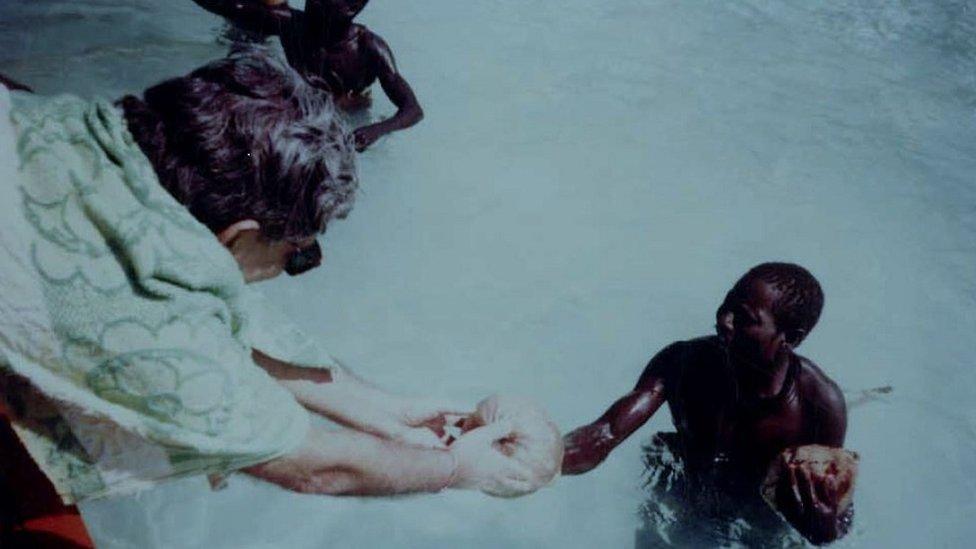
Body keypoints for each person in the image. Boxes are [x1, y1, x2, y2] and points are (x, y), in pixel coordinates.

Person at [0, 49, 536, 547]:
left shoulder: (67, 129)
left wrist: (384, 411)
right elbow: (316, 468)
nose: (297, 268)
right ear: (239, 234)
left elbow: (198, 298)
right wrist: (457, 470)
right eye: (298, 254)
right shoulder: (141, 329)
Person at [562, 263, 855, 545]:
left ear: (790, 337)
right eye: (727, 305)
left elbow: (834, 513)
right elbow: (605, 433)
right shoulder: (682, 363)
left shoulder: (818, 406)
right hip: (682, 489)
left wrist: (824, 526)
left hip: (759, 517)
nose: (723, 321)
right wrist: (544, 460)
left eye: (744, 318)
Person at [190, 0, 424, 152]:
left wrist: (377, 130)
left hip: (349, 117)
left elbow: (412, 109)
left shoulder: (369, 48)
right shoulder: (292, 25)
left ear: (351, 8)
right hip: (302, 104)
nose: (310, 2)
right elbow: (233, 8)